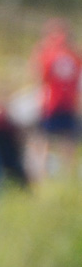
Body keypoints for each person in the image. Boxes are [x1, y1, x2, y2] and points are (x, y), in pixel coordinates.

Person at [31, 18, 81, 178]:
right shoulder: (74, 55)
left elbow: (39, 77)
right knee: (67, 139)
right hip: (69, 101)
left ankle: (42, 173)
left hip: (51, 101)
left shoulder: (48, 54)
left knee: (43, 138)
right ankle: (67, 173)